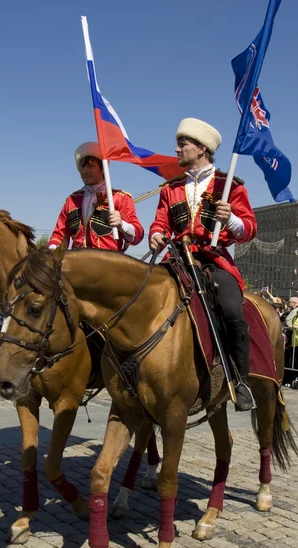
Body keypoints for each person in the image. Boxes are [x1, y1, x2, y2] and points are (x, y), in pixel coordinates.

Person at [149, 118, 257, 411]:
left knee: (233, 309)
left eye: (182, 144)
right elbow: (160, 222)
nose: (177, 149)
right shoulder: (170, 189)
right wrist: (157, 235)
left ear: (202, 148)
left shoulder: (230, 186)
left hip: (214, 261)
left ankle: (240, 379)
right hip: (178, 260)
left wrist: (230, 219)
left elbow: (249, 229)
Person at [48, 142, 144, 251]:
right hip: (76, 264)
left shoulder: (120, 198)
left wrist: (122, 225)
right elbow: (58, 236)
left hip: (108, 265)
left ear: (103, 169)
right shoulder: (72, 200)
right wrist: (51, 252)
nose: (85, 171)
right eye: (82, 166)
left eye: (90, 166)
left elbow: (138, 236)